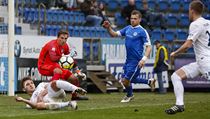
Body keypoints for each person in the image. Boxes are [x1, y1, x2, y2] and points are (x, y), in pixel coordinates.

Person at [165, 0, 210, 114]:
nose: (188, 13)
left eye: (189, 11)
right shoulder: (208, 23)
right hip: (200, 63)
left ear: (192, 11)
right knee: (176, 76)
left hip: (206, 62)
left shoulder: (195, 24)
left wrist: (175, 53)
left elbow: (187, 45)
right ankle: (179, 104)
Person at [102, 10, 156, 103]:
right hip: (128, 60)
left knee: (126, 80)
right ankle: (149, 82)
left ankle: (129, 95)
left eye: (135, 19)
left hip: (136, 61)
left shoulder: (142, 31)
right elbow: (114, 34)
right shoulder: (127, 28)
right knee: (128, 79)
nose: (132, 20)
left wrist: (144, 59)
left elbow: (149, 47)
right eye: (131, 18)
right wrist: (108, 28)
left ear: (139, 19)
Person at [38, 30, 86, 100]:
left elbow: (69, 59)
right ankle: (44, 95)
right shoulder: (52, 45)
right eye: (62, 38)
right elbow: (53, 58)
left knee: (74, 78)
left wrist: (77, 70)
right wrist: (67, 56)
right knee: (58, 71)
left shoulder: (65, 46)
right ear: (57, 37)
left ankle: (74, 96)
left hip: (55, 67)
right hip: (43, 66)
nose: (63, 40)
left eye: (65, 38)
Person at [15, 76, 87, 110]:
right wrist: (23, 100)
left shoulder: (40, 85)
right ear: (24, 89)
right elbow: (34, 106)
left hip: (56, 93)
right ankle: (69, 104)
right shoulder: (30, 101)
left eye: (32, 83)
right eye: (27, 84)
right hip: (51, 103)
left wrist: (40, 95)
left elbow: (49, 85)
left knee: (54, 83)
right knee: (39, 106)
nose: (31, 85)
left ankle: (76, 88)